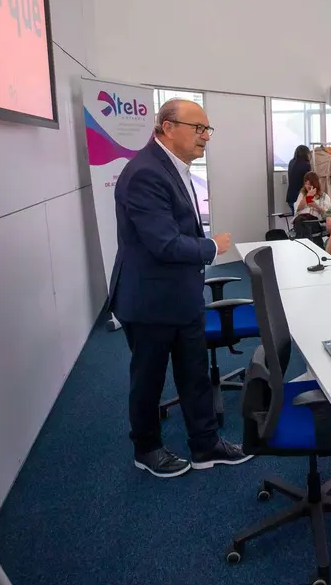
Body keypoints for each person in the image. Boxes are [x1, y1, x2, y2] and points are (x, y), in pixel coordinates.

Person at [108, 99, 248, 478]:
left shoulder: (174, 168)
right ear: (168, 127)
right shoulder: (144, 173)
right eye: (198, 128)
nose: (205, 137)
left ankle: (205, 445)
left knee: (194, 374)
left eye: (207, 130)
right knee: (148, 380)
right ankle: (147, 448)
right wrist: (211, 247)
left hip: (182, 295)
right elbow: (165, 243)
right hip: (149, 299)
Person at [292, 171, 331, 244]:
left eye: (309, 184)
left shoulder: (324, 197)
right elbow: (296, 209)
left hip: (315, 222)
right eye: (306, 183)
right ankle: (309, 245)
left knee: (302, 223)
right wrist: (307, 197)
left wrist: (315, 206)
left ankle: (303, 245)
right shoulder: (302, 194)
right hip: (300, 219)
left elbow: (327, 215)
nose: (307, 186)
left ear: (315, 184)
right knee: (301, 220)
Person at [285, 144, 312, 212]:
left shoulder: (291, 162)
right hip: (299, 197)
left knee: (296, 220)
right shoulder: (306, 165)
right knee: (302, 220)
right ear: (307, 153)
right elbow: (309, 181)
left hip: (290, 196)